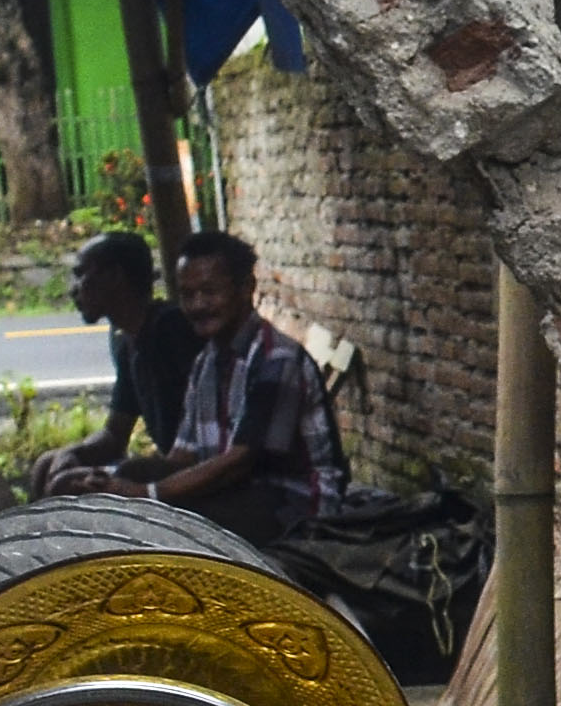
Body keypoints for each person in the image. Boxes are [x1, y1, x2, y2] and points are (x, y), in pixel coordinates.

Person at [70, 233, 344, 547]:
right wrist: (112, 476)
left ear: (246, 289)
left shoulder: (277, 359)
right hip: (240, 494)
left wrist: (147, 494)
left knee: (175, 524)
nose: (198, 305)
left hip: (294, 503)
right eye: (188, 295)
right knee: (133, 476)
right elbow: (182, 457)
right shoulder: (207, 362)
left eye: (210, 292)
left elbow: (240, 462)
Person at [23, 230, 198, 496]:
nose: (74, 289)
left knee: (68, 483)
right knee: (47, 464)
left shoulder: (170, 329)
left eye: (82, 274)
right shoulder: (127, 340)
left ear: (115, 277)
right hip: (169, 464)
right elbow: (115, 435)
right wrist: (72, 453)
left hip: (191, 467)